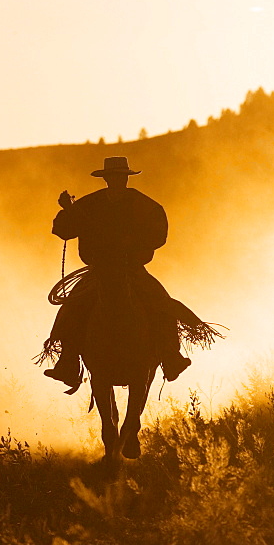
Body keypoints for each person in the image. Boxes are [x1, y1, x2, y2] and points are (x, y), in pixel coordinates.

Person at [41, 156, 194, 389]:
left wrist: (132, 243)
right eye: (112, 177)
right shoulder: (89, 205)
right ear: (106, 179)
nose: (116, 181)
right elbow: (63, 230)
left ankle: (170, 357)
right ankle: (68, 362)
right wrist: (67, 211)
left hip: (131, 268)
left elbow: (158, 235)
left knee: (161, 303)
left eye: (119, 177)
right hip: (98, 270)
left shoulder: (143, 205)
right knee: (71, 308)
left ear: (125, 178)